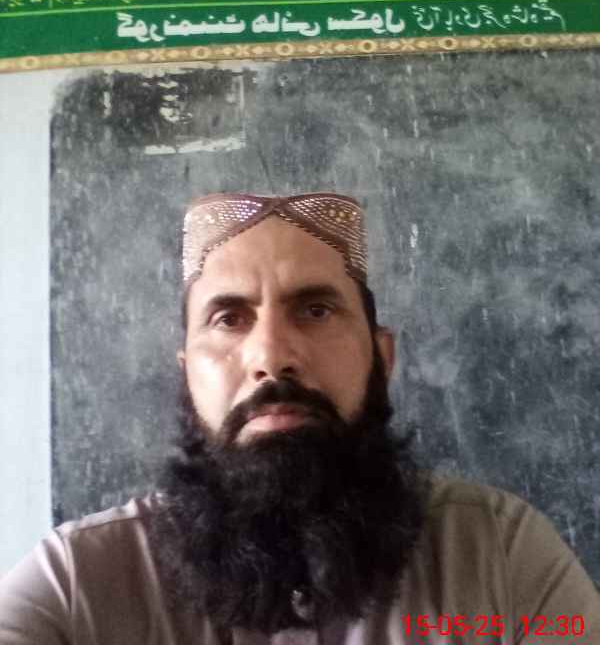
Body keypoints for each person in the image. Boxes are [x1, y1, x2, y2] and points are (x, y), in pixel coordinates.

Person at [1, 192, 598, 645]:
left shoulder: (501, 555)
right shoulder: (77, 583)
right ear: (187, 376)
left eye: (315, 310)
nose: (271, 356)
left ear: (381, 358)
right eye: (229, 319)